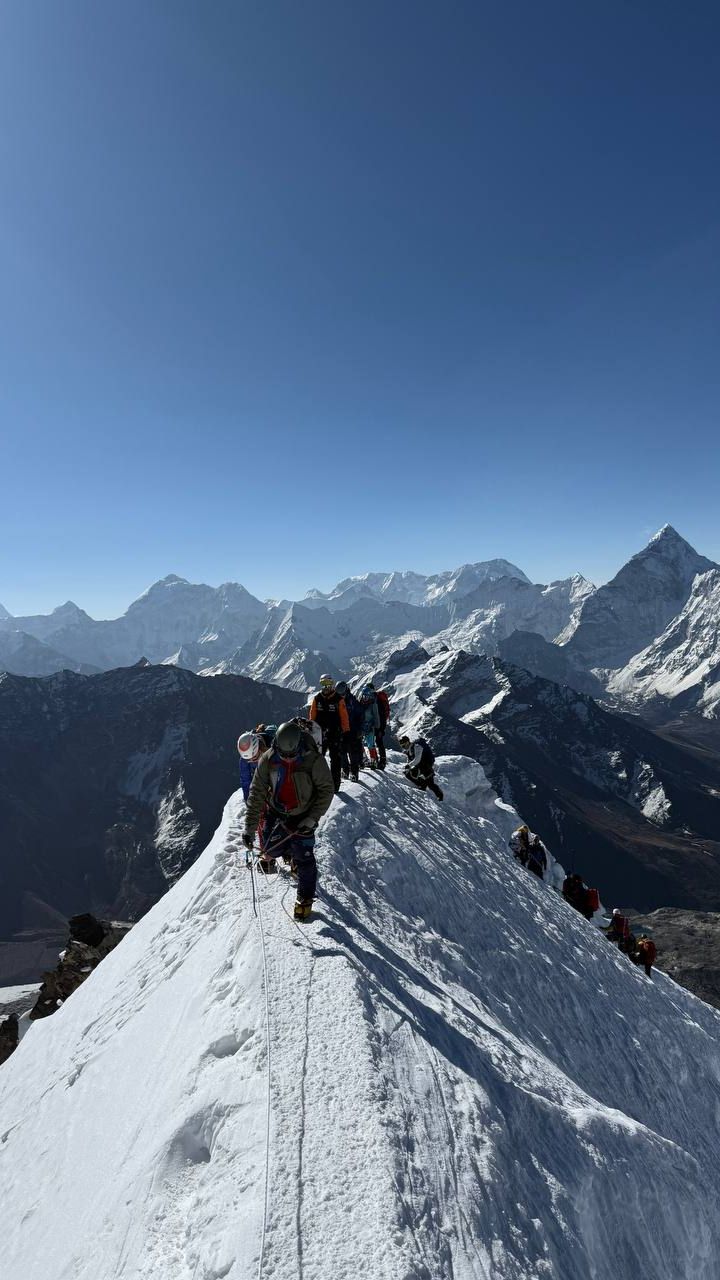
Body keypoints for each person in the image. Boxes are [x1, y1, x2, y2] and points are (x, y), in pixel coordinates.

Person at [242, 720, 334, 920]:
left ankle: (305, 898)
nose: (288, 759)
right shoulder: (268, 759)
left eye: (292, 755)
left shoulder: (313, 760)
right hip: (278, 812)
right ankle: (292, 852)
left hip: (303, 815)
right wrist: (249, 830)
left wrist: (312, 819)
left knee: (306, 859)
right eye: (284, 755)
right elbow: (256, 793)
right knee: (270, 850)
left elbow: (326, 790)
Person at [309, 675, 350, 793]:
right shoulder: (317, 698)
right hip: (319, 735)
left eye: (328, 684)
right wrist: (311, 730)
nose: (325, 687)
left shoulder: (338, 699)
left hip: (335, 734)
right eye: (323, 684)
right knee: (317, 759)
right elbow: (312, 716)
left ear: (332, 685)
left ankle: (335, 785)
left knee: (335, 759)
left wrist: (346, 732)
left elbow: (344, 717)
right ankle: (317, 783)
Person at [398, 733, 443, 800]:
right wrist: (408, 767)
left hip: (427, 766)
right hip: (420, 766)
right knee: (408, 774)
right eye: (402, 746)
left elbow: (417, 759)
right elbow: (410, 760)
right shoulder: (409, 750)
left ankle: (440, 796)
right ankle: (422, 785)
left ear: (407, 742)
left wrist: (409, 765)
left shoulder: (417, 747)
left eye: (403, 745)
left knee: (430, 784)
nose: (403, 747)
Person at [336, 681, 363, 781]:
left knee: (353, 752)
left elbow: (360, 714)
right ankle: (345, 770)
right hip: (341, 730)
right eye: (339, 692)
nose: (341, 694)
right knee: (342, 751)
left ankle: (354, 773)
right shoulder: (337, 701)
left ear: (346, 690)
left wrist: (359, 729)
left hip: (352, 730)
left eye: (342, 691)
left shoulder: (352, 701)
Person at [237, 730, 264, 802]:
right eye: (248, 759)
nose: (251, 760)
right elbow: (245, 780)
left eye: (254, 757)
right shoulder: (244, 760)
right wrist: (248, 801)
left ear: (258, 748)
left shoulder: (271, 750)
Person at [359, 684, 381, 769]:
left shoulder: (373, 704)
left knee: (370, 745)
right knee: (359, 744)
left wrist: (377, 728)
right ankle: (364, 759)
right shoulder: (361, 703)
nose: (365, 698)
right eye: (364, 696)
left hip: (370, 727)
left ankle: (373, 761)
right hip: (362, 726)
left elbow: (376, 716)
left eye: (366, 696)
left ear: (370, 696)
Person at [373, 683, 391, 770]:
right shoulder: (374, 699)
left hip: (378, 726)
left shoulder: (377, 701)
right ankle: (379, 761)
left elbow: (382, 716)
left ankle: (381, 762)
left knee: (378, 743)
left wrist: (381, 729)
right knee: (377, 743)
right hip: (377, 726)